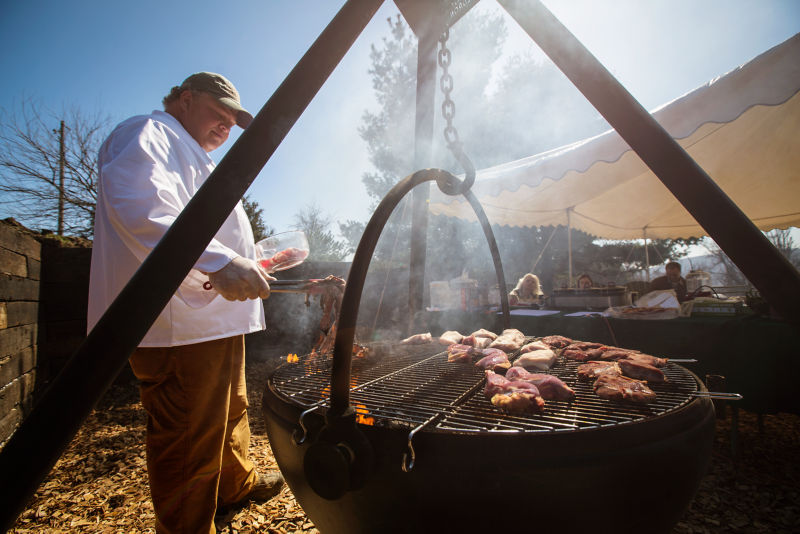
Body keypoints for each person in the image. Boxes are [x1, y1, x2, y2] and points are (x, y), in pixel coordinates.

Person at [88, 72, 284, 533]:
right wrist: (218, 262)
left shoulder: (192, 153)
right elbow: (141, 208)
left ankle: (235, 484)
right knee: (187, 436)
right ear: (184, 98)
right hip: (177, 321)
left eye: (233, 120)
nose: (227, 125)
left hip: (214, 318)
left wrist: (249, 260)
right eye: (220, 112)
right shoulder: (147, 132)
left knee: (231, 409)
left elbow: (206, 230)